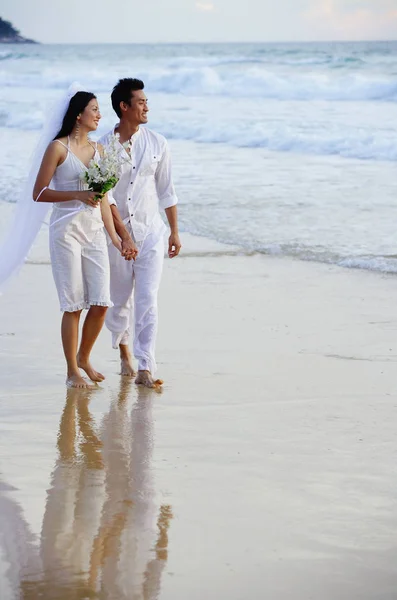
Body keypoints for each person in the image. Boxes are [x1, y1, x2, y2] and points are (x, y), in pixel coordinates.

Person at [33, 91, 138, 389]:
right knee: (73, 304)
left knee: (102, 302)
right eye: (94, 109)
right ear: (79, 114)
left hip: (93, 232)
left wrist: (117, 240)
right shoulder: (58, 148)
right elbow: (38, 192)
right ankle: (71, 370)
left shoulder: (99, 151)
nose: (100, 115)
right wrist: (77, 195)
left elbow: (104, 200)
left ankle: (84, 357)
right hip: (66, 232)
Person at [100, 78, 181, 389]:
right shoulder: (104, 147)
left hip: (151, 235)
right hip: (117, 239)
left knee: (148, 299)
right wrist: (121, 237)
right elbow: (104, 198)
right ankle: (123, 350)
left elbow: (167, 192)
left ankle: (146, 365)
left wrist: (174, 231)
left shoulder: (158, 143)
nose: (147, 106)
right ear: (125, 106)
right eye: (141, 102)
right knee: (120, 301)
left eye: (147, 101)